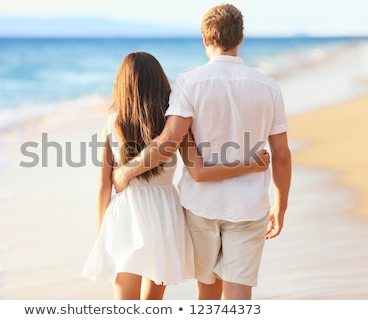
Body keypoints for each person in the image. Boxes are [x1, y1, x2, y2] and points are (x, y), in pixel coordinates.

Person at [112, 4, 292, 300]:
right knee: (238, 293)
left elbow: (169, 141)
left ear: (205, 40)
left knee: (207, 291)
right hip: (249, 206)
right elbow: (282, 155)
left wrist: (126, 171)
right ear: (241, 38)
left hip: (200, 206)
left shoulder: (190, 81)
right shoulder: (268, 86)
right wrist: (280, 206)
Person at [81, 51, 271, 300]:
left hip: (125, 214)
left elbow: (102, 185)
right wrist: (250, 164)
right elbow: (198, 170)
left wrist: (101, 235)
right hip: (164, 214)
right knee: (152, 303)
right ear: (160, 80)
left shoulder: (113, 119)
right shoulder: (173, 123)